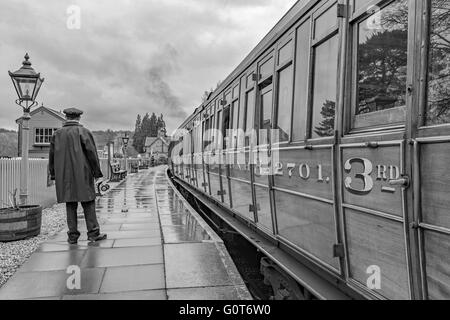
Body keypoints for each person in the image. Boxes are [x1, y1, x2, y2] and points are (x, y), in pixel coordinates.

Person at [49, 107, 107, 244]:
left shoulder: (56, 134)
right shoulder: (84, 132)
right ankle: (93, 233)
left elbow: (51, 157)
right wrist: (97, 173)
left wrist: (53, 174)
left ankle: (72, 236)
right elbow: (92, 154)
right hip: (83, 174)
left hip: (64, 176)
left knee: (70, 204)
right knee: (88, 202)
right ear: (79, 118)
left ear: (66, 117)